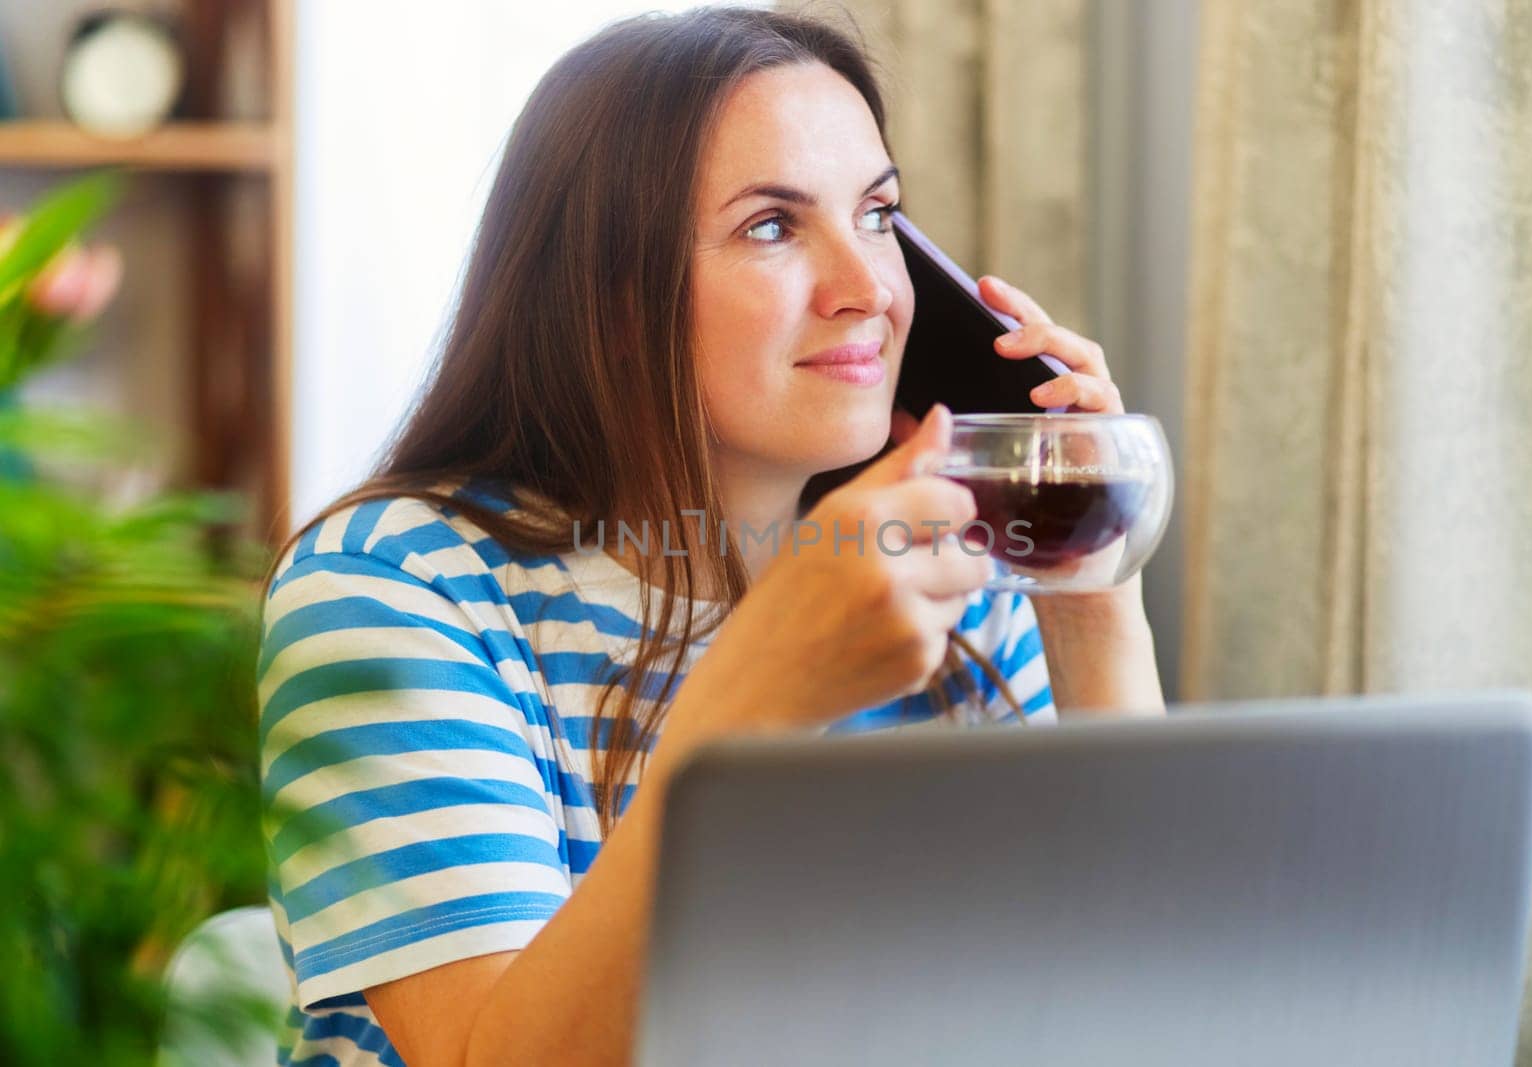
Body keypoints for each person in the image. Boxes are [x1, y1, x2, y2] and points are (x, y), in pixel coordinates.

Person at [256, 7, 1163, 1065]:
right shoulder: (391, 593)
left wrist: (1087, 585)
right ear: (607, 296)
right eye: (772, 226)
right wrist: (761, 688)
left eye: (879, 214)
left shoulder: (948, 567)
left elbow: (1139, 998)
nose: (869, 288)